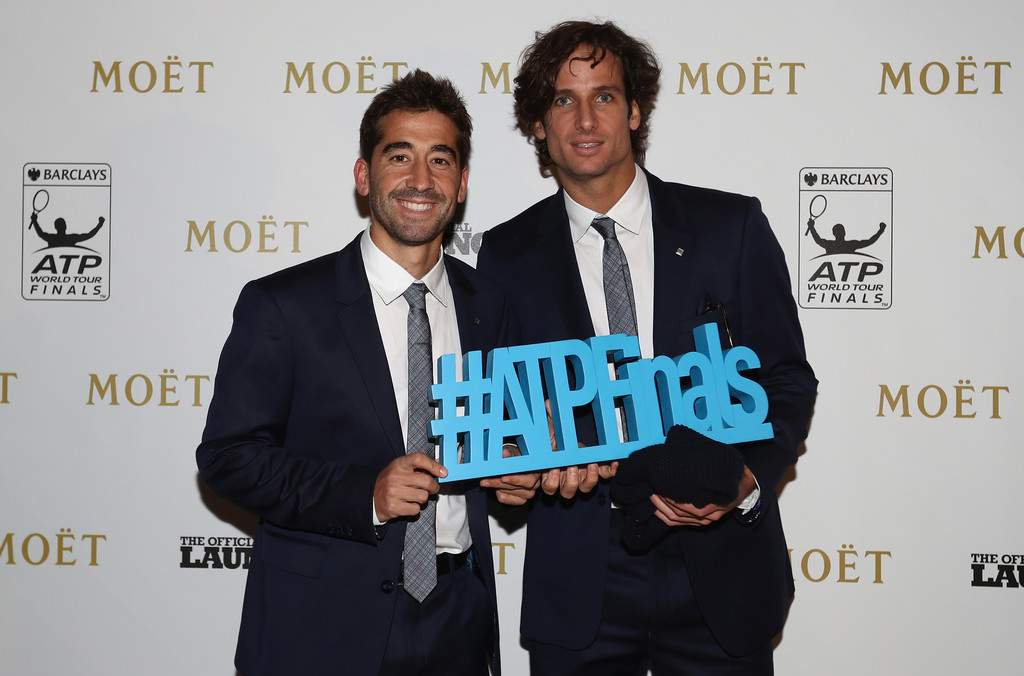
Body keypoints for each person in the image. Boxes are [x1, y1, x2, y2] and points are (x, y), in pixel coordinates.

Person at [475, 20, 817, 675]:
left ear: (634, 111)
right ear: (539, 125)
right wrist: (512, 472)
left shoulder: (729, 227)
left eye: (603, 96)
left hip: (719, 562)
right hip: (580, 571)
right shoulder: (506, 256)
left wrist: (743, 480)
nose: (585, 119)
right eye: (563, 99)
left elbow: (787, 380)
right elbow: (505, 416)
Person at [197, 70, 507, 676]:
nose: (421, 180)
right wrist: (364, 494)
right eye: (400, 156)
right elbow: (228, 458)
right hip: (321, 626)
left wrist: (518, 471)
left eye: (440, 160)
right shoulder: (284, 305)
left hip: (460, 622)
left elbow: (492, 443)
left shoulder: (488, 304)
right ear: (364, 176)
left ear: (462, 183)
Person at [29, 213, 105, 248]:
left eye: (62, 224)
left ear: (55, 227)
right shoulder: (71, 238)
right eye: (61, 224)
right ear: (65, 226)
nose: (62, 226)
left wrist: (34, 221)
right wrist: (100, 224)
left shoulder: (51, 238)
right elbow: (89, 235)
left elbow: (40, 233)